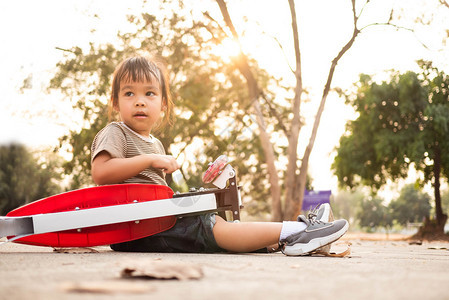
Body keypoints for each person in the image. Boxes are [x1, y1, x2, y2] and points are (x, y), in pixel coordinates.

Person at [90, 55, 348, 256]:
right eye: (129, 93)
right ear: (115, 102)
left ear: (163, 104)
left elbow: (161, 194)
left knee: (211, 218)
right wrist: (149, 160)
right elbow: (101, 172)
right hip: (135, 227)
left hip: (154, 221)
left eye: (149, 93)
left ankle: (281, 240)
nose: (139, 101)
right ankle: (300, 231)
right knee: (208, 225)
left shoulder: (154, 143)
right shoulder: (116, 132)